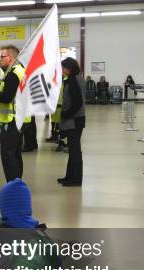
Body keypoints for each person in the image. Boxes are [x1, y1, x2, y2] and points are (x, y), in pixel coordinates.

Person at [0, 45, 26, 182]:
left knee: (8, 155)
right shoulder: (21, 71)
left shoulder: (13, 74)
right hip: (20, 119)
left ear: (10, 58)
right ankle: (17, 182)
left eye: (2, 57)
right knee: (16, 153)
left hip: (10, 120)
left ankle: (13, 185)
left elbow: (6, 98)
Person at [58, 57, 86, 187]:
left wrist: (65, 114)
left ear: (70, 68)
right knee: (73, 150)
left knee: (75, 151)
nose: (62, 70)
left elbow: (77, 102)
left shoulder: (74, 80)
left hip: (74, 120)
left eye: (64, 68)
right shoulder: (76, 78)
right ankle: (69, 176)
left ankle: (75, 180)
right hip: (77, 119)